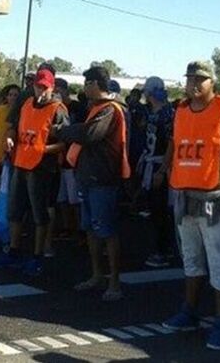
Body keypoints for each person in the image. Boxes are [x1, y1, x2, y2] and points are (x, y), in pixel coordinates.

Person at [160, 61, 220, 351]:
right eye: (190, 78)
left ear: (212, 82)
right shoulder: (180, 109)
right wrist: (168, 170)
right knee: (191, 259)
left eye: (200, 79)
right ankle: (189, 311)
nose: (193, 84)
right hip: (186, 197)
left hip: (218, 201)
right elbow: (175, 144)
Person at [58, 66, 130, 301]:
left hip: (103, 179)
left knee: (107, 230)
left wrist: (62, 131)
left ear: (96, 84)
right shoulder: (96, 108)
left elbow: (89, 134)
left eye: (88, 83)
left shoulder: (109, 109)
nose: (84, 87)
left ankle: (114, 282)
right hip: (88, 177)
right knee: (90, 228)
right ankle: (97, 275)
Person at [0, 69, 68, 275]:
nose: (40, 90)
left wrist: (43, 150)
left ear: (51, 87)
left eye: (44, 87)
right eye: (37, 85)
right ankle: (14, 251)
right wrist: (10, 137)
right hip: (20, 163)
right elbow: (13, 128)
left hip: (42, 168)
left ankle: (37, 255)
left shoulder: (57, 109)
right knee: (15, 211)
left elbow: (64, 142)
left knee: (39, 214)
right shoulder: (26, 104)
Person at [140, 76, 176, 268]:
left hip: (160, 164)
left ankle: (162, 250)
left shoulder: (167, 113)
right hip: (151, 162)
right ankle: (164, 247)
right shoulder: (152, 111)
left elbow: (172, 142)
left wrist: (162, 170)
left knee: (160, 209)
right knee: (155, 209)